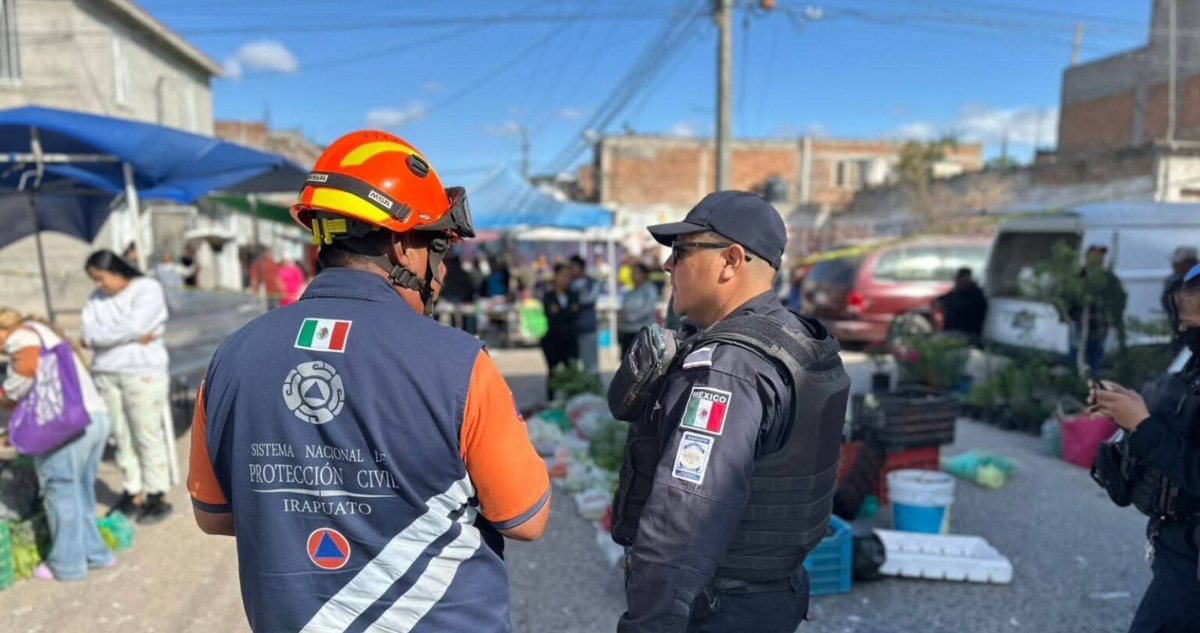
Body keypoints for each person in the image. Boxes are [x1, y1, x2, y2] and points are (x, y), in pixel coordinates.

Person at [188, 131, 550, 633]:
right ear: (404, 248)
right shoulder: (460, 363)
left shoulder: (232, 356)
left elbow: (215, 514)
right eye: (437, 246)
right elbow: (526, 518)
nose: (440, 269)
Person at [609, 191, 850, 633]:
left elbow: (685, 515)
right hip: (774, 594)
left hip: (719, 608)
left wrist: (647, 625)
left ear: (731, 260)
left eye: (682, 252)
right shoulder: (794, 337)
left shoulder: (728, 369)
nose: (668, 265)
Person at [1091, 262, 1200, 633]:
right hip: (1177, 551)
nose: (1188, 336)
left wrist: (1142, 424)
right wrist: (1130, 409)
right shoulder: (1194, 368)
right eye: (1183, 326)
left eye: (1195, 325)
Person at [0, 310, 115, 581]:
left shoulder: (21, 335)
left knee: (60, 491)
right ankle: (96, 554)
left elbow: (26, 368)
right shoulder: (49, 335)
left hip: (64, 426)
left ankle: (67, 564)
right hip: (94, 418)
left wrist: (6, 392)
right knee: (81, 493)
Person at [81, 249, 176, 525]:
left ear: (118, 271)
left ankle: (157, 493)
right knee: (120, 435)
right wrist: (129, 336)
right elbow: (88, 333)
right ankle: (132, 490)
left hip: (141, 371)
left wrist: (104, 338)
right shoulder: (95, 299)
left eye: (102, 278)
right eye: (94, 280)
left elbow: (135, 325)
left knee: (146, 432)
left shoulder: (147, 289)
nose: (99, 285)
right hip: (107, 373)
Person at [1068, 245, 1127, 375]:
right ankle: (1075, 381)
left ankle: (1093, 382)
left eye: (1101, 255)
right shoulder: (1079, 277)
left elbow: (1120, 298)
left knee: (1096, 357)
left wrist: (1112, 315)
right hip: (1080, 324)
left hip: (1099, 325)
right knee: (1077, 354)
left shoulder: (1109, 279)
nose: (1099, 258)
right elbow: (1068, 298)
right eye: (1095, 254)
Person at [541, 263, 581, 400]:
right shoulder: (549, 296)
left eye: (568, 276)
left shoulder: (573, 295)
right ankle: (551, 400)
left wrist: (561, 312)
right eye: (563, 275)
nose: (566, 279)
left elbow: (575, 314)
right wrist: (567, 313)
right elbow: (552, 316)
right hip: (553, 339)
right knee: (553, 372)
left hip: (570, 339)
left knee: (571, 371)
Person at [936, 267, 989, 346]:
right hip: (952, 331)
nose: (956, 281)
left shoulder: (974, 295)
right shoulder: (956, 293)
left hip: (967, 333)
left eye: (959, 279)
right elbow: (940, 300)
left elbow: (960, 308)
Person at [568, 255, 601, 375]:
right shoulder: (568, 284)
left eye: (573, 267)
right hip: (572, 330)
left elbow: (589, 298)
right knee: (573, 364)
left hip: (588, 328)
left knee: (591, 365)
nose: (571, 270)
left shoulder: (593, 283)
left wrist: (575, 301)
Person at [618, 263, 659, 357]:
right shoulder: (629, 293)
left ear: (643, 274)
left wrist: (629, 318)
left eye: (635, 272)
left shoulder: (650, 289)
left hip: (642, 333)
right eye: (632, 272)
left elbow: (647, 309)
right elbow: (623, 310)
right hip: (628, 332)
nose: (632, 275)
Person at [1164, 246, 1198, 353]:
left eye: (1177, 263)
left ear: (1189, 262)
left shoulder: (1192, 282)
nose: (1173, 266)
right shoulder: (1177, 282)